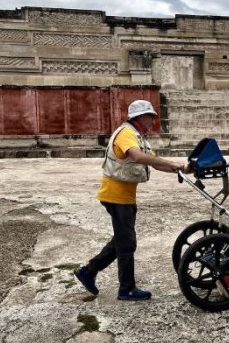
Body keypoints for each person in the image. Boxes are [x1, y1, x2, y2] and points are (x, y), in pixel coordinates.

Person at [75, 99, 191, 301]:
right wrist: (173, 164)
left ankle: (88, 271)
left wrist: (180, 167)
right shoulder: (126, 134)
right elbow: (137, 157)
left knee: (121, 240)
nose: (153, 120)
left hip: (125, 196)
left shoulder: (138, 136)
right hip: (115, 196)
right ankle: (126, 288)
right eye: (150, 116)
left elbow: (155, 164)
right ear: (139, 117)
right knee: (127, 243)